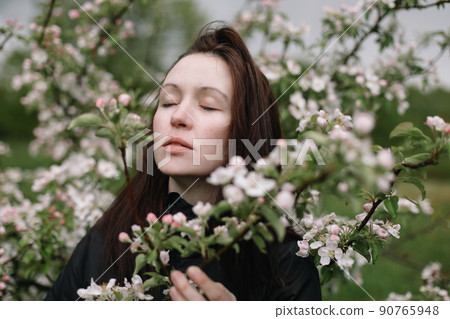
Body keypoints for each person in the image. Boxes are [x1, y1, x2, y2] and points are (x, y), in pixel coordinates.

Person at [44, 22, 322, 301]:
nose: (178, 116)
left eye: (208, 105)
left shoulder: (286, 265)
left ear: (248, 131)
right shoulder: (110, 239)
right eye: (168, 101)